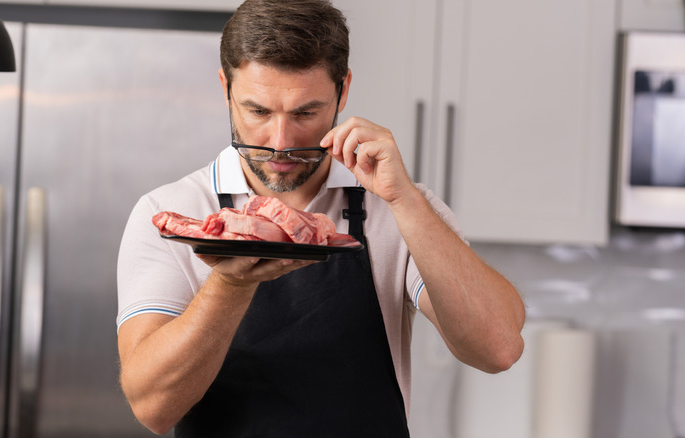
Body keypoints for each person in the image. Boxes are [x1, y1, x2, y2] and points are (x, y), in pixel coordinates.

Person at [116, 0, 525, 436]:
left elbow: (498, 348)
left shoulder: (397, 208)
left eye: (305, 113)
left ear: (343, 90)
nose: (280, 142)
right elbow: (153, 408)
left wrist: (403, 198)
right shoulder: (170, 214)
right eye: (258, 112)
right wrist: (230, 284)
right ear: (225, 88)